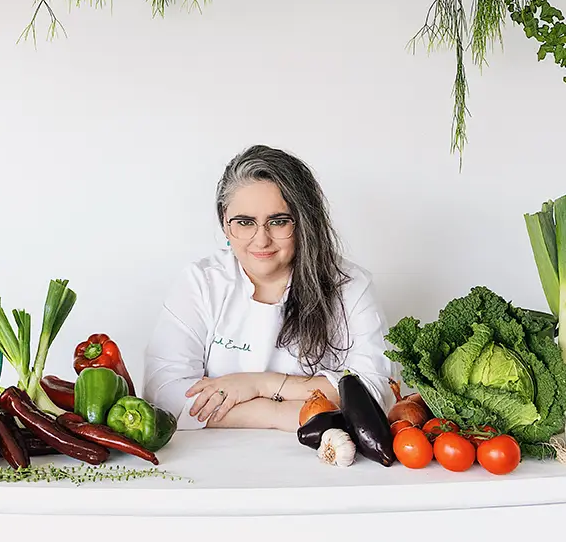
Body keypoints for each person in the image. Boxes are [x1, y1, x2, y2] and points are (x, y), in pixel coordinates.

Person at [143, 144, 394, 432]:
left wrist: (257, 384)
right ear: (225, 225)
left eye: (278, 221)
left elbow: (375, 395)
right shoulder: (200, 282)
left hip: (324, 460)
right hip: (216, 459)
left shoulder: (350, 285)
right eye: (244, 222)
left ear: (304, 223)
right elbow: (164, 396)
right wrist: (278, 414)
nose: (261, 240)